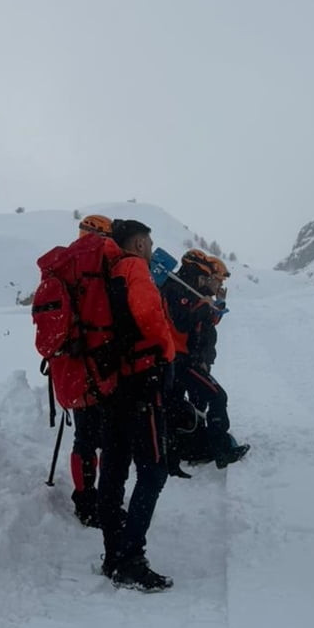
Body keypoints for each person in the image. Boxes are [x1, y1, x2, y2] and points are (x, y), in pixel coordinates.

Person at [95, 219, 177, 591]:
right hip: (143, 382)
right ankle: (130, 558)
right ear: (140, 242)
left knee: (113, 467)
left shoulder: (107, 272)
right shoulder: (134, 268)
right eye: (149, 240)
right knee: (154, 469)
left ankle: (114, 553)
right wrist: (167, 351)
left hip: (113, 384)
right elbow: (148, 314)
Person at [162, 250, 249, 469]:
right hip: (179, 361)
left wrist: (214, 304)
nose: (216, 284)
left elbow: (205, 322)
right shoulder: (177, 289)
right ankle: (219, 448)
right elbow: (182, 322)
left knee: (180, 405)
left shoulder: (191, 292)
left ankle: (190, 448)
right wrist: (205, 304)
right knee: (216, 397)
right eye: (215, 279)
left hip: (187, 359)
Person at [68, 214, 114, 528]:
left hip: (71, 360)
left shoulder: (65, 261)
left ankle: (84, 497)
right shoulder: (104, 259)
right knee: (104, 434)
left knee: (84, 435)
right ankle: (92, 502)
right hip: (102, 358)